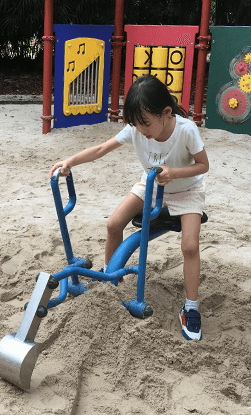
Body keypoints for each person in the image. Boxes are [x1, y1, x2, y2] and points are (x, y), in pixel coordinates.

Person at [50, 75, 209, 341]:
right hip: (151, 186)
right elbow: (102, 148)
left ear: (166, 112)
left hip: (186, 190)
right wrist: (69, 162)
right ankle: (111, 277)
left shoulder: (186, 130)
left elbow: (203, 166)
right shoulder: (137, 129)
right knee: (113, 224)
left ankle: (190, 307)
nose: (141, 130)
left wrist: (174, 172)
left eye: (145, 123)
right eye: (135, 123)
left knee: (190, 246)